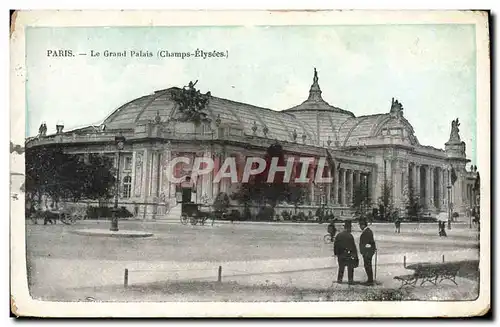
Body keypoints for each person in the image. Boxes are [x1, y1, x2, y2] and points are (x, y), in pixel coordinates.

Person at [359, 219, 377, 285]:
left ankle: (370, 280)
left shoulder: (367, 232)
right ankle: (370, 279)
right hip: (367, 251)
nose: (360, 227)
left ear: (363, 225)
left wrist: (365, 250)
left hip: (367, 252)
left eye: (360, 225)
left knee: (367, 265)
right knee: (367, 265)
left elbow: (369, 242)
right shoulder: (367, 231)